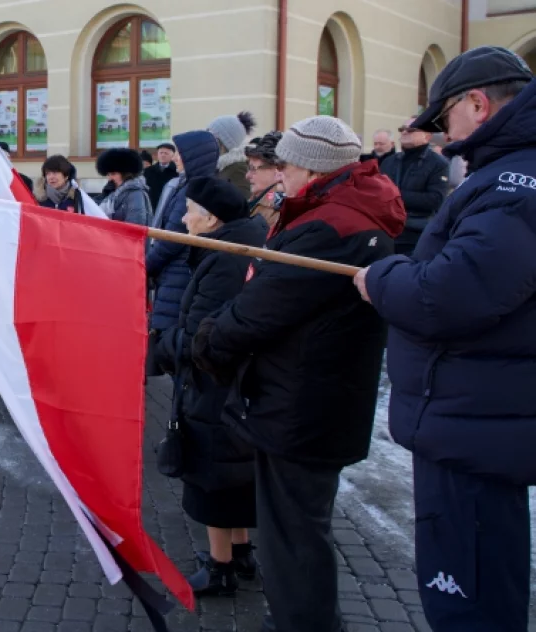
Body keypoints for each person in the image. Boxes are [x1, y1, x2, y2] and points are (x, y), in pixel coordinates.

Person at [193, 116, 404, 632]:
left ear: (311, 167)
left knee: (294, 537)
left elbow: (262, 307)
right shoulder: (340, 212)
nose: (276, 176)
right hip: (313, 396)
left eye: (282, 165)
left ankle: (302, 624)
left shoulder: (331, 226)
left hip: (303, 402)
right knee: (297, 530)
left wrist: (207, 340)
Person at [355, 46, 536, 632]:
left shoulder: (514, 182)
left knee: (469, 599)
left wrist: (382, 278)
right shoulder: (509, 174)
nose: (441, 133)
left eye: (443, 118)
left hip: (476, 422)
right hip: (477, 416)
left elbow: (449, 294)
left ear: (476, 105)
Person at [153, 176, 267, 596]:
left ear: (212, 217)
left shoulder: (224, 257)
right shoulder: (242, 238)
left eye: (189, 211)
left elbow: (205, 332)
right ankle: (240, 552)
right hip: (232, 384)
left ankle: (220, 568)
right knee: (233, 473)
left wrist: (163, 345)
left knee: (212, 474)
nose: (183, 218)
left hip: (216, 384)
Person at [146, 130, 219, 375]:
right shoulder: (187, 184)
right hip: (175, 274)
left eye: (180, 153)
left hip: (178, 275)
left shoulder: (194, 188)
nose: (175, 158)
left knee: (175, 351)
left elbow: (172, 238)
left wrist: (145, 265)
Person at [380, 117, 450, 255]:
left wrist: (395, 195)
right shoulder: (389, 162)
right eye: (402, 129)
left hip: (416, 232)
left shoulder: (438, 164)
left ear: (427, 136)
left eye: (411, 129)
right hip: (386, 230)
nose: (405, 132)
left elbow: (435, 200)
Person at [95, 148, 153, 226]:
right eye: (108, 174)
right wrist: (104, 195)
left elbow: (135, 224)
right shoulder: (113, 192)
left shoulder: (135, 194)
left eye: (113, 174)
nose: (110, 178)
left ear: (126, 173)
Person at [207, 112, 256, 197]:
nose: (208, 142)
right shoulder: (218, 167)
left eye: (212, 137)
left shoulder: (238, 169)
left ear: (224, 143)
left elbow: (243, 203)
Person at [243, 131, 284, 228]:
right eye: (249, 168)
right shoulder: (257, 200)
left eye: (253, 169)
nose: (247, 175)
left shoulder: (276, 210)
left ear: (278, 170)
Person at [143, 142, 178, 210]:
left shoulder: (177, 172)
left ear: (172, 156)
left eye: (166, 153)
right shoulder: (148, 171)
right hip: (151, 206)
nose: (163, 155)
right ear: (157, 155)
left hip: (169, 206)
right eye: (161, 153)